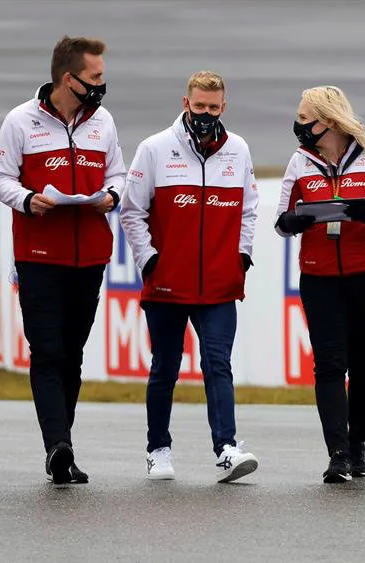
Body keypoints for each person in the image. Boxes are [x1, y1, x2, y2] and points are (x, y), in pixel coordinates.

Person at [0, 36, 125, 485]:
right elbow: (0, 179)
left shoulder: (102, 120)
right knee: (47, 352)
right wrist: (28, 200)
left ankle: (61, 443)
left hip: (90, 256)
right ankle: (58, 447)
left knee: (72, 355)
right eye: (95, 77)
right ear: (69, 80)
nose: (102, 84)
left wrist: (112, 196)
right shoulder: (20, 120)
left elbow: (118, 173)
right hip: (38, 256)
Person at [275, 85, 365, 483]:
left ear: (329, 122)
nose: (298, 125)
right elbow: (280, 220)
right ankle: (337, 454)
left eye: (305, 118)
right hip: (319, 278)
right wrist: (293, 223)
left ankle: (358, 445)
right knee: (328, 365)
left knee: (363, 363)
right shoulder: (299, 162)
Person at [120, 71, 260, 483]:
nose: (205, 114)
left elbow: (249, 210)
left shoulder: (238, 150)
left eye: (213, 108)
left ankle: (227, 449)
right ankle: (157, 449)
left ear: (224, 107)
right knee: (165, 366)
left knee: (219, 363)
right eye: (199, 106)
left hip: (219, 283)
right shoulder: (154, 148)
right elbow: (131, 211)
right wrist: (149, 260)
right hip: (167, 283)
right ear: (185, 103)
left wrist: (242, 257)